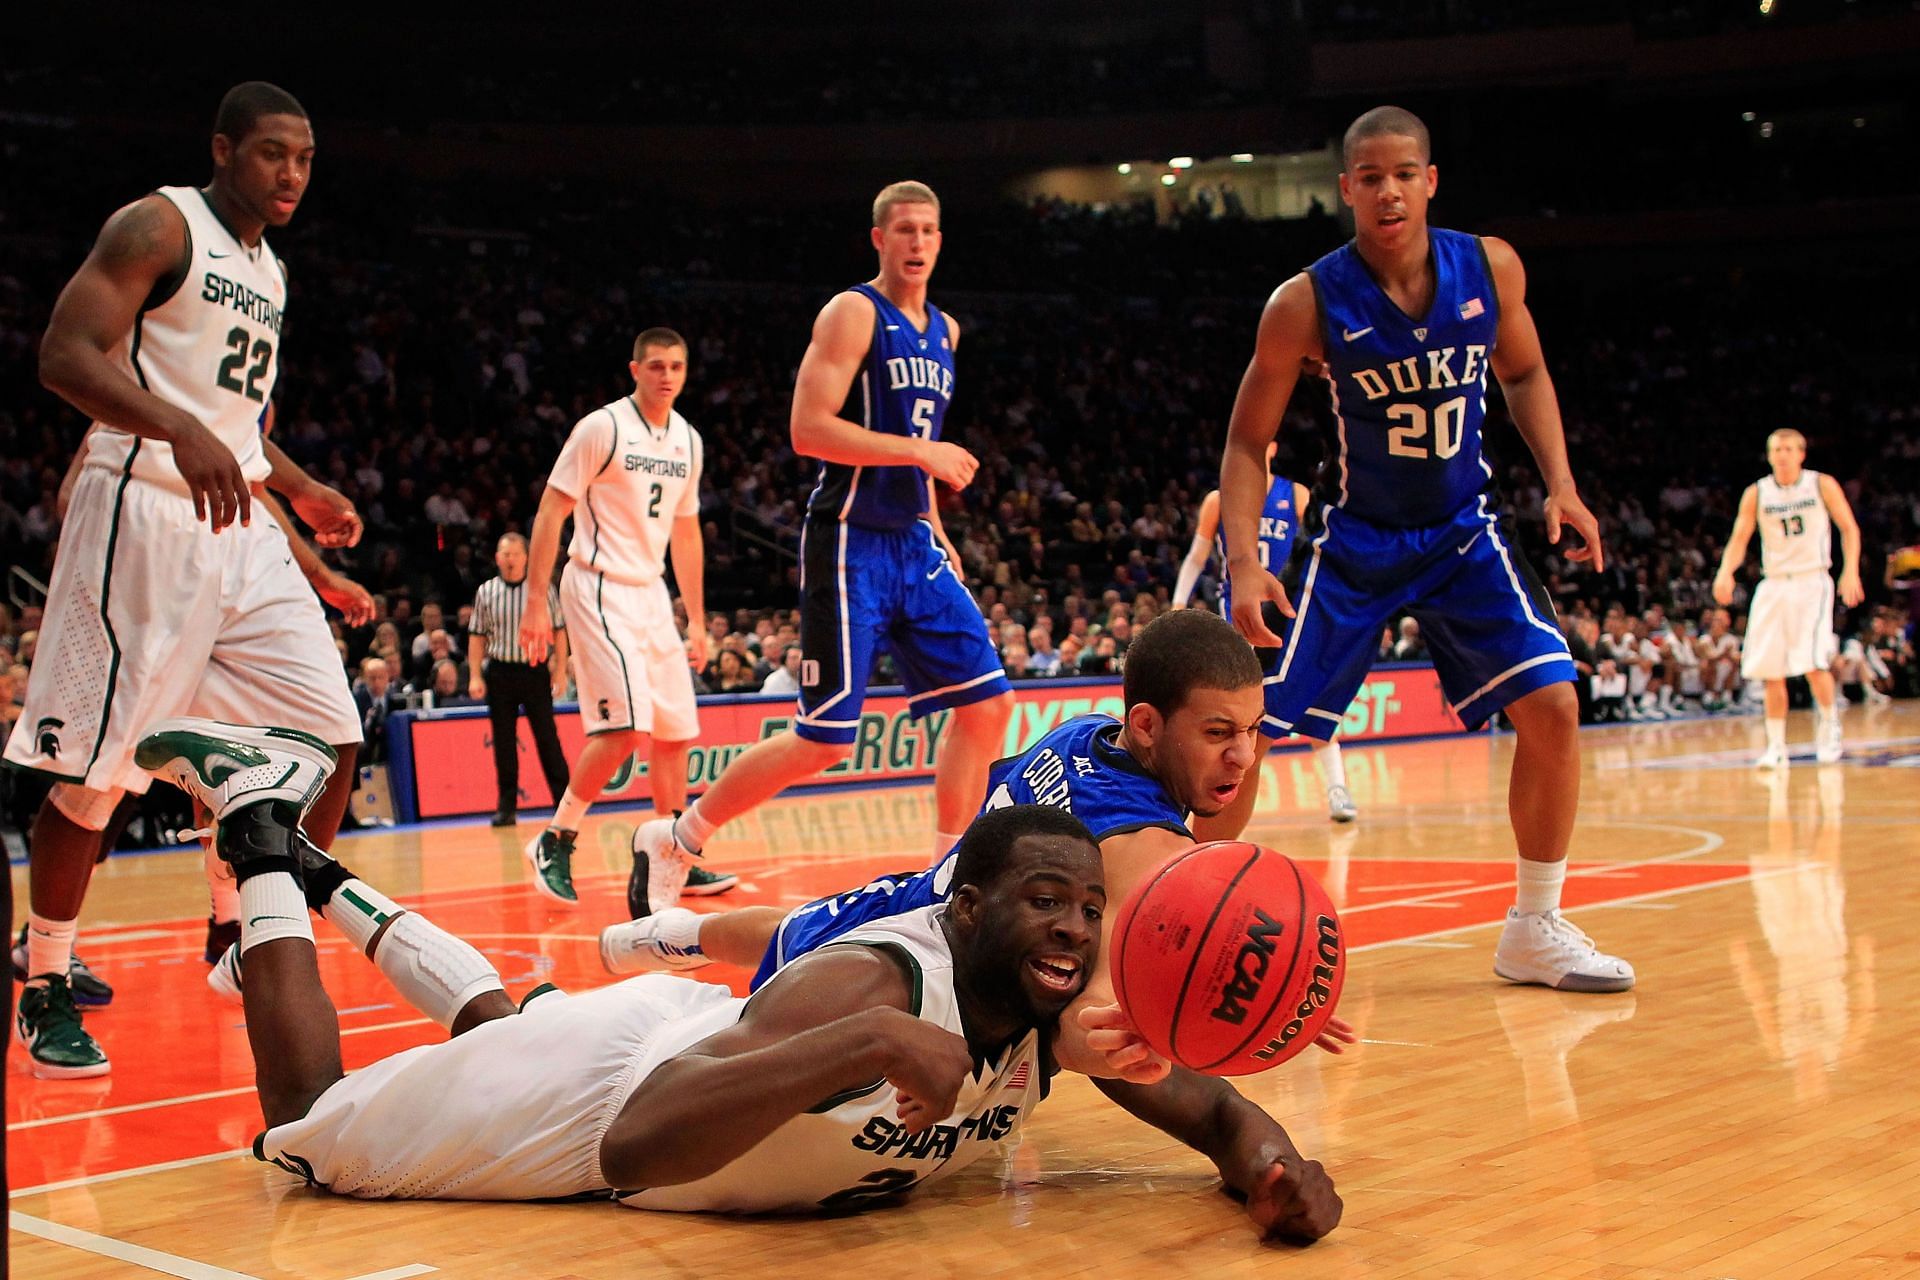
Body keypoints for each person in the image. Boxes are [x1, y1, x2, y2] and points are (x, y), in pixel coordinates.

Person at [147, 719, 1338, 1241]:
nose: (1075, 930)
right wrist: (870, 1040)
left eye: (1088, 906)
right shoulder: (872, 981)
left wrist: (1282, 1176)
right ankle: (259, 826)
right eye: (1044, 901)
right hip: (611, 1104)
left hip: (684, 1057)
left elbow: (1225, 1113)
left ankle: (316, 866)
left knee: (495, 1027)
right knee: (306, 1129)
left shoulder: (1059, 1013)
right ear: (964, 906)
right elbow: (638, 1144)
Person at [1218, 106, 1631, 994]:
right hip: (1355, 537)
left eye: (1403, 172)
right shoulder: (1305, 301)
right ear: (1346, 191)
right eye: (1369, 177)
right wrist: (1245, 561)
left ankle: (1534, 927)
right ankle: (1182, 917)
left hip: (1461, 530)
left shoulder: (1490, 266)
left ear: (1430, 180)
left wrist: (1561, 481)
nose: (1388, 189)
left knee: (1555, 708)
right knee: (1243, 729)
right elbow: (1248, 443)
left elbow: (1522, 372)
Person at [1, 82, 365, 1078]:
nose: (290, 173)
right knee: (97, 774)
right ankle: (44, 979)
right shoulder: (161, 223)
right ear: (224, 149)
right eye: (271, 154)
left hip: (237, 515)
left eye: (304, 157)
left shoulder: (273, 272)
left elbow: (240, 424)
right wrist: (180, 428)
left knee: (328, 736)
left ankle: (248, 941)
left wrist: (303, 484)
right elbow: (64, 353)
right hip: (145, 507)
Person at [605, 610, 1356, 1077]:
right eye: (1220, 733)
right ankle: (651, 964)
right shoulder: (1141, 848)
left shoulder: (1086, 733)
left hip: (934, 896)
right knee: (736, 1037)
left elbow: (1211, 821)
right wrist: (1273, 1000)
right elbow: (1119, 995)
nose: (1244, 756)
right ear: (1150, 725)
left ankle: (653, 937)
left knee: (790, 928)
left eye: (1255, 733)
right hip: (922, 962)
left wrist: (1245, 736)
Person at [628, 182, 1013, 917]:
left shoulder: (947, 331)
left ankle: (944, 878)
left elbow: (919, 439)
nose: (918, 242)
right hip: (849, 542)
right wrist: (921, 459)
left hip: (912, 542)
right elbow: (808, 428)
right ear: (879, 238)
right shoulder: (852, 312)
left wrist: (934, 520)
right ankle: (679, 837)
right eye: (904, 229)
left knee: (988, 705)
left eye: (929, 230)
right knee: (825, 737)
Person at [517, 329, 734, 903]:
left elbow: (686, 533)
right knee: (626, 729)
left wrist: (695, 618)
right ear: (634, 369)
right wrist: (535, 601)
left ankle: (671, 851)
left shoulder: (687, 438)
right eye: (657, 366)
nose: (667, 376)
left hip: (650, 591)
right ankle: (556, 837)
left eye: (678, 367)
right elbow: (550, 511)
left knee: (675, 733)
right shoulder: (602, 427)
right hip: (596, 583)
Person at [1172, 452, 1358, 826]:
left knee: (1308, 699)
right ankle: (1211, 800)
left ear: (1272, 447)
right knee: (1232, 714)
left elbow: (1320, 550)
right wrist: (1178, 602)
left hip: (1287, 614)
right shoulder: (1218, 499)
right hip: (1236, 621)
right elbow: (1196, 557)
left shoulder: (1297, 493)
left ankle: (1337, 787)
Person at [1712, 428, 1866, 767]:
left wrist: (1850, 570)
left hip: (1812, 580)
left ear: (1801, 453)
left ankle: (1829, 729)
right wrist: (1725, 571)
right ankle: (1776, 746)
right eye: (1775, 449)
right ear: (1769, 455)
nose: (1781, 454)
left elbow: (1849, 528)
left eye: (1787, 449)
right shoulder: (1757, 493)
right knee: (1771, 670)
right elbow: (1739, 538)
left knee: (1813, 664)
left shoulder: (1820, 484)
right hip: (1774, 583)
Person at [468, 532, 570, 828]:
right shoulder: (486, 592)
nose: (510, 559)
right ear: (497, 558)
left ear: (526, 558)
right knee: (503, 742)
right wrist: (475, 674)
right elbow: (477, 636)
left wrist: (560, 669)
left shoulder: (542, 591)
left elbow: (560, 630)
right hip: (500, 671)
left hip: (534, 670)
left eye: (515, 554)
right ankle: (507, 807)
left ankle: (563, 804)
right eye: (505, 554)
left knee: (547, 738)